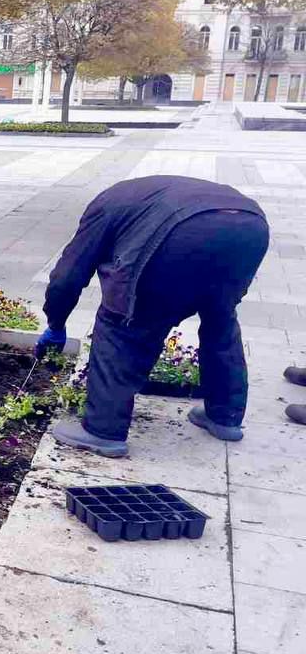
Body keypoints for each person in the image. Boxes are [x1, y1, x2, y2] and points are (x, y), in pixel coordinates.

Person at [35, 176, 269, 457]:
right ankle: (225, 416)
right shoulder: (135, 197)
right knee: (220, 315)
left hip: (181, 230)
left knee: (120, 323)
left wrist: (55, 324)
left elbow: (68, 275)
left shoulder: (103, 209)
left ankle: (103, 430)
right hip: (250, 225)